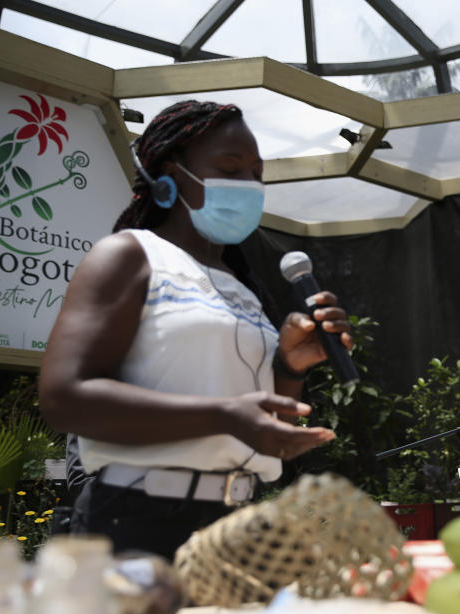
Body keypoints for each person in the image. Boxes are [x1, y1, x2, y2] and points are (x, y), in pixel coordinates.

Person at [38, 100, 348, 559]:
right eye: (230, 168)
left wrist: (288, 365)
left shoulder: (242, 288)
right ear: (171, 171)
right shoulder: (127, 256)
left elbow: (265, 429)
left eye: (256, 174)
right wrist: (223, 415)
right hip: (136, 523)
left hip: (233, 526)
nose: (249, 186)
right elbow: (63, 398)